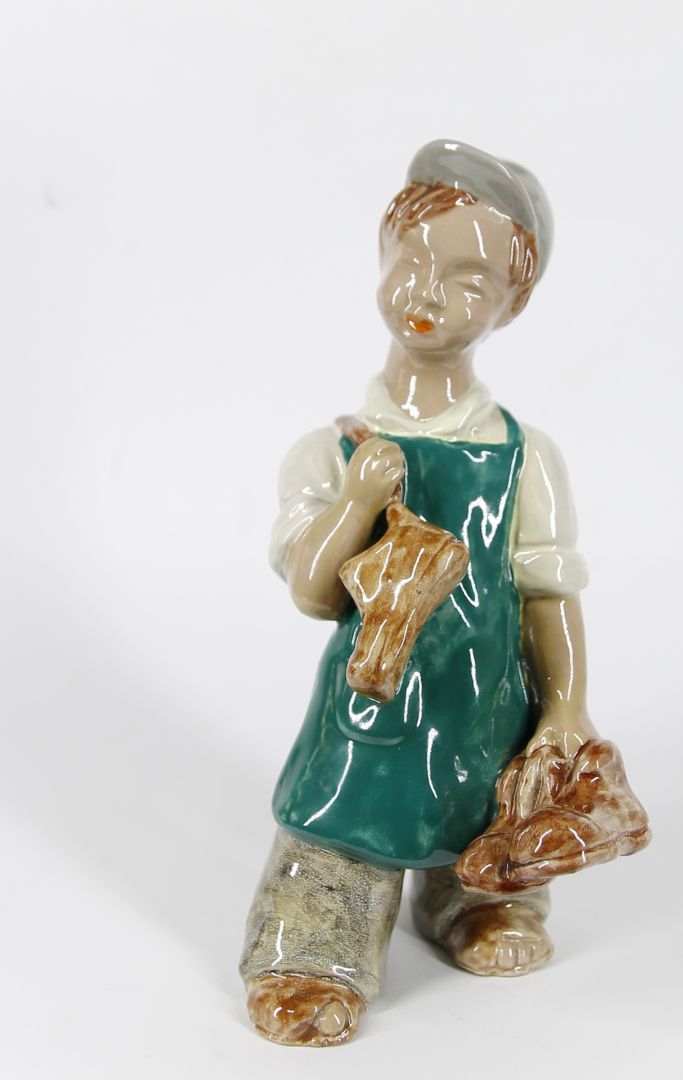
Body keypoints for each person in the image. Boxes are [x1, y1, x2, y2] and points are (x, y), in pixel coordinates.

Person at [240, 140, 601, 1047]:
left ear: (514, 304)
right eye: (413, 261)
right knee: (345, 815)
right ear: (382, 255)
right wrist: (357, 501)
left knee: (484, 806)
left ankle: (471, 901)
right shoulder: (332, 450)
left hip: (484, 697)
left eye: (470, 281)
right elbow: (313, 593)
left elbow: (546, 590)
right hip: (374, 699)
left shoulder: (527, 454)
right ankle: (313, 947)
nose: (427, 293)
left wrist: (567, 705)